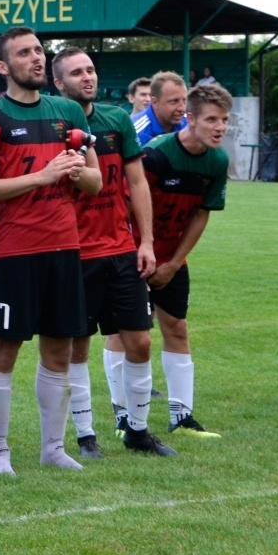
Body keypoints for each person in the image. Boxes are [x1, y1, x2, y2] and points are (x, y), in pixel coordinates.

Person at [0, 26, 102, 475]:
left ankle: (53, 448)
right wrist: (43, 176)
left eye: (39, 50)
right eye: (24, 53)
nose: (36, 58)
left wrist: (75, 172)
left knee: (60, 350)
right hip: (14, 251)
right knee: (5, 350)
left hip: (65, 247)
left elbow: (96, 182)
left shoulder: (68, 112)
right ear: (3, 66)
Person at [52, 48, 174, 458]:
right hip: (74, 251)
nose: (87, 77)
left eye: (90, 69)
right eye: (76, 72)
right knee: (78, 345)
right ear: (59, 83)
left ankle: (137, 430)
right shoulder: (50, 124)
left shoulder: (117, 119)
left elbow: (137, 182)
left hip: (121, 248)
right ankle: (86, 436)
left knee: (139, 341)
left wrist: (146, 241)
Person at [141, 83, 232, 436]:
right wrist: (144, 250)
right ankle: (125, 417)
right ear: (191, 119)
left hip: (172, 259)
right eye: (211, 120)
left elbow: (200, 214)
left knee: (177, 328)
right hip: (134, 252)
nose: (220, 127)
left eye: (224, 120)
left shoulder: (218, 161)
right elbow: (129, 204)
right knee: (130, 333)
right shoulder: (156, 155)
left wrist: (174, 262)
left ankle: (182, 418)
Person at [133, 71, 187, 146]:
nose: (182, 109)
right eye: (174, 101)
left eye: (184, 101)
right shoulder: (135, 132)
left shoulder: (190, 123)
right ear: (155, 102)